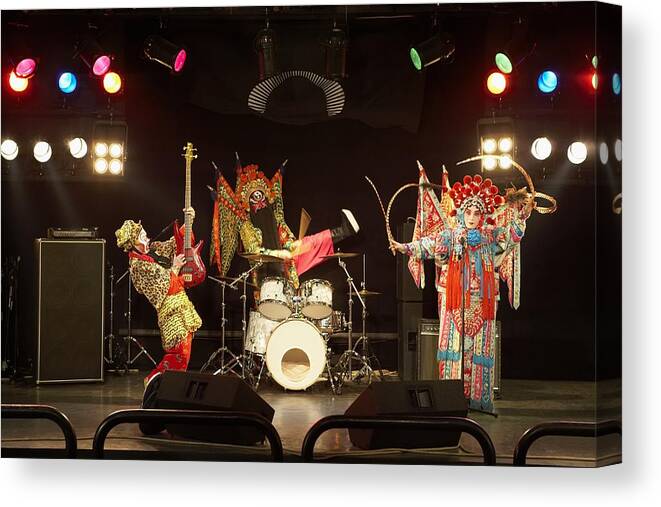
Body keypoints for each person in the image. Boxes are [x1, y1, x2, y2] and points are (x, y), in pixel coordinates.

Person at [390, 174, 532, 412]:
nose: (473, 218)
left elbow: (512, 237)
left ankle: (479, 398)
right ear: (461, 213)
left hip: (483, 301)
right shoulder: (451, 236)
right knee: (454, 349)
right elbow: (427, 245)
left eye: (477, 213)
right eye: (468, 213)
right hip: (455, 300)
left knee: (480, 351)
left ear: (483, 214)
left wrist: (521, 217)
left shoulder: (491, 236)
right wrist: (403, 247)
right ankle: (451, 399)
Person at [210, 160, 359, 289]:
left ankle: (344, 230)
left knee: (310, 242)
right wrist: (278, 254)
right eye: (254, 198)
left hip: (287, 266)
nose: (260, 201)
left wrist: (291, 245)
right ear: (248, 203)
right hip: (265, 274)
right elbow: (254, 251)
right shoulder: (246, 224)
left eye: (262, 196)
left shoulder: (274, 216)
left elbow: (285, 236)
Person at [115, 207, 202, 394]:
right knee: (179, 353)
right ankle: (155, 383)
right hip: (169, 308)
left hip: (181, 304)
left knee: (183, 354)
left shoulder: (152, 250)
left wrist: (189, 221)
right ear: (133, 242)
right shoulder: (137, 265)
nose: (147, 238)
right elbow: (164, 285)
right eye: (143, 236)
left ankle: (169, 389)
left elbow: (175, 245)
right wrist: (175, 268)